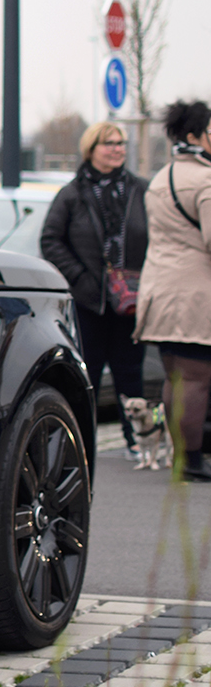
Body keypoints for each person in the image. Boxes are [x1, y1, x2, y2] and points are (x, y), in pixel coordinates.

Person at [40, 121, 148, 453]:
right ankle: (81, 446)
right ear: (91, 149)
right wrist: (83, 280)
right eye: (109, 143)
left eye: (121, 143)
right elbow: (51, 240)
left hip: (131, 299)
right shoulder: (73, 193)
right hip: (90, 301)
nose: (117, 149)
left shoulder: (140, 190)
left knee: (131, 374)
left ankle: (137, 443)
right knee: (87, 376)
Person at [135, 99, 211, 482]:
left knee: (175, 378)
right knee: (196, 379)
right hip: (195, 295)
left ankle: (183, 456)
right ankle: (192, 461)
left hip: (160, 291)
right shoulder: (205, 180)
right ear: (196, 135)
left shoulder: (162, 177)